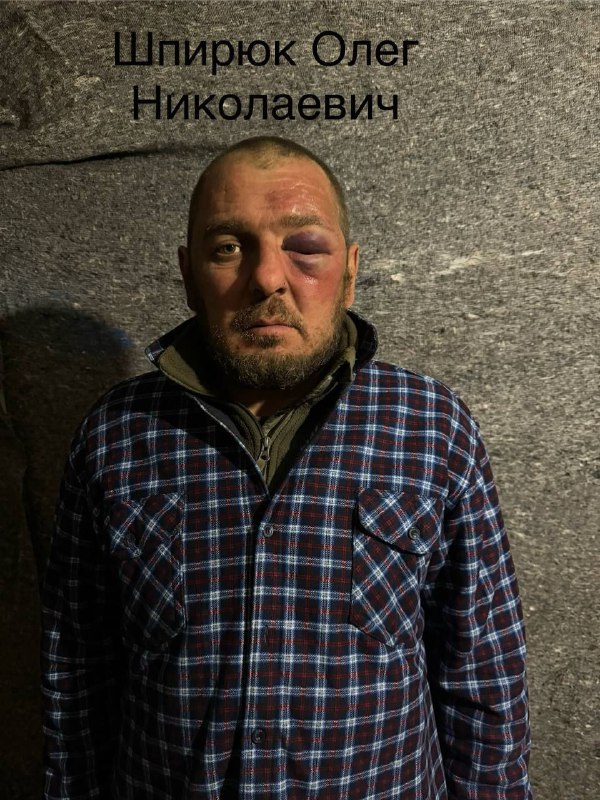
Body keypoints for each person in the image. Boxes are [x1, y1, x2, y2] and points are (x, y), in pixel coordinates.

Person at [41, 135, 532, 799]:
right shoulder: (115, 435)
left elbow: (483, 678)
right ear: (188, 275)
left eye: (304, 247)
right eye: (228, 247)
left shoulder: (433, 427)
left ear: (350, 271)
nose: (268, 278)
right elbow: (76, 674)